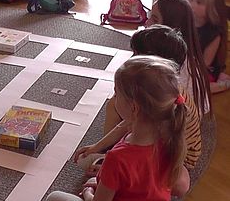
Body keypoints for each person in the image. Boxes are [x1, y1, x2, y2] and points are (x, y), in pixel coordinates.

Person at [46, 56, 189, 201]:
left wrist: (88, 192)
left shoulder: (118, 158)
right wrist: (95, 148)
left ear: (134, 108)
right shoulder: (168, 137)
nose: (113, 99)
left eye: (116, 94)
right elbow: (124, 126)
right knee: (91, 171)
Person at [77, 25, 201, 174]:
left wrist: (112, 165)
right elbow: (125, 124)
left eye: (136, 55)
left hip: (176, 160)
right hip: (156, 143)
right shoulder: (157, 91)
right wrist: (96, 147)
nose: (130, 59)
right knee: (114, 106)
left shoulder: (161, 106)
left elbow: (153, 152)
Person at [145, 0, 211, 116]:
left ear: (170, 29)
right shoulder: (178, 56)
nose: (146, 23)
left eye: (154, 20)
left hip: (180, 128)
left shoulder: (181, 69)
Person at [188, 0, 230, 93]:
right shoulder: (188, 20)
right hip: (188, 64)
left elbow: (206, 62)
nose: (192, 4)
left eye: (199, 2)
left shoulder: (214, 34)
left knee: (195, 88)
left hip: (204, 69)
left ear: (212, 8)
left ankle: (223, 84)